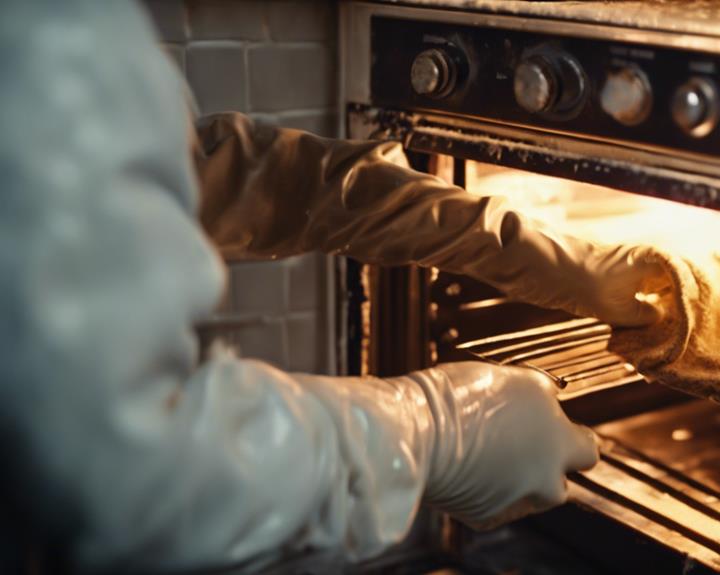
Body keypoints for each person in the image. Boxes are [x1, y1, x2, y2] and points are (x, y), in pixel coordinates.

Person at [0, 2, 680, 572]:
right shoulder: (51, 30)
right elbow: (130, 475)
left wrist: (473, 229)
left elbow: (149, 178)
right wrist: (433, 430)